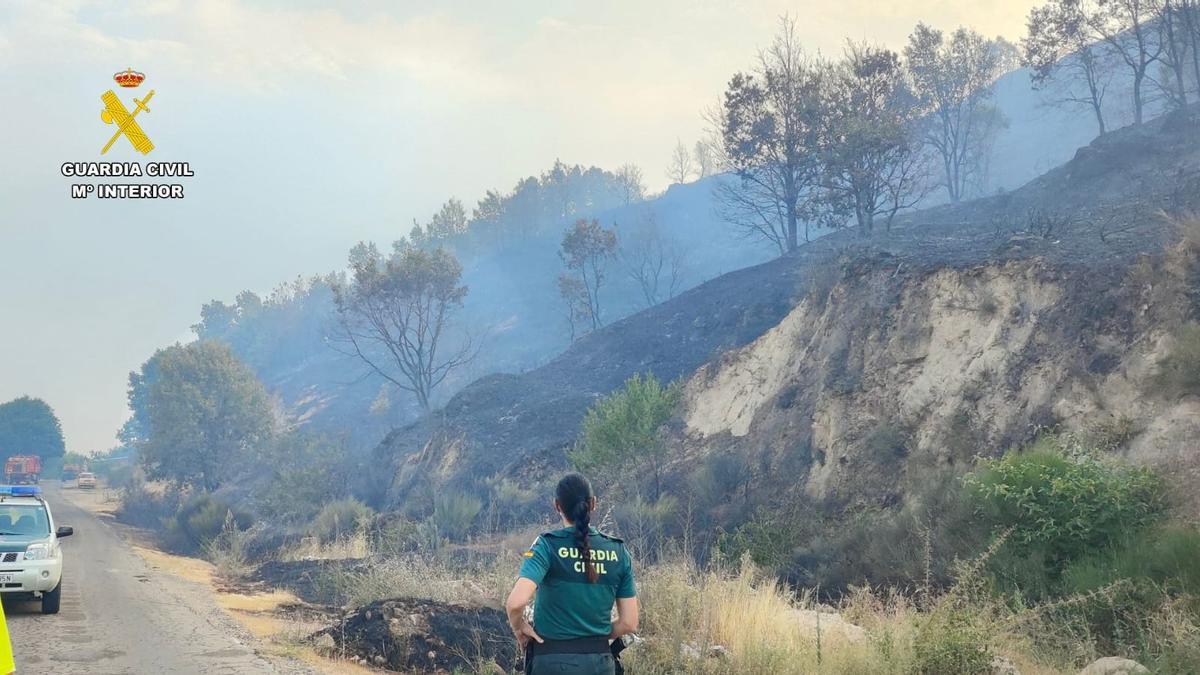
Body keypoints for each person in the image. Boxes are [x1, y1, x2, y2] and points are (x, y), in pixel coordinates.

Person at [506, 473, 639, 675]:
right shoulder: (618, 552)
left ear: (557, 506)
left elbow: (515, 603)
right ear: (593, 504)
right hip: (599, 663)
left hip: (551, 662)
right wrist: (594, 635)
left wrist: (519, 627)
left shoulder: (546, 546)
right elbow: (629, 622)